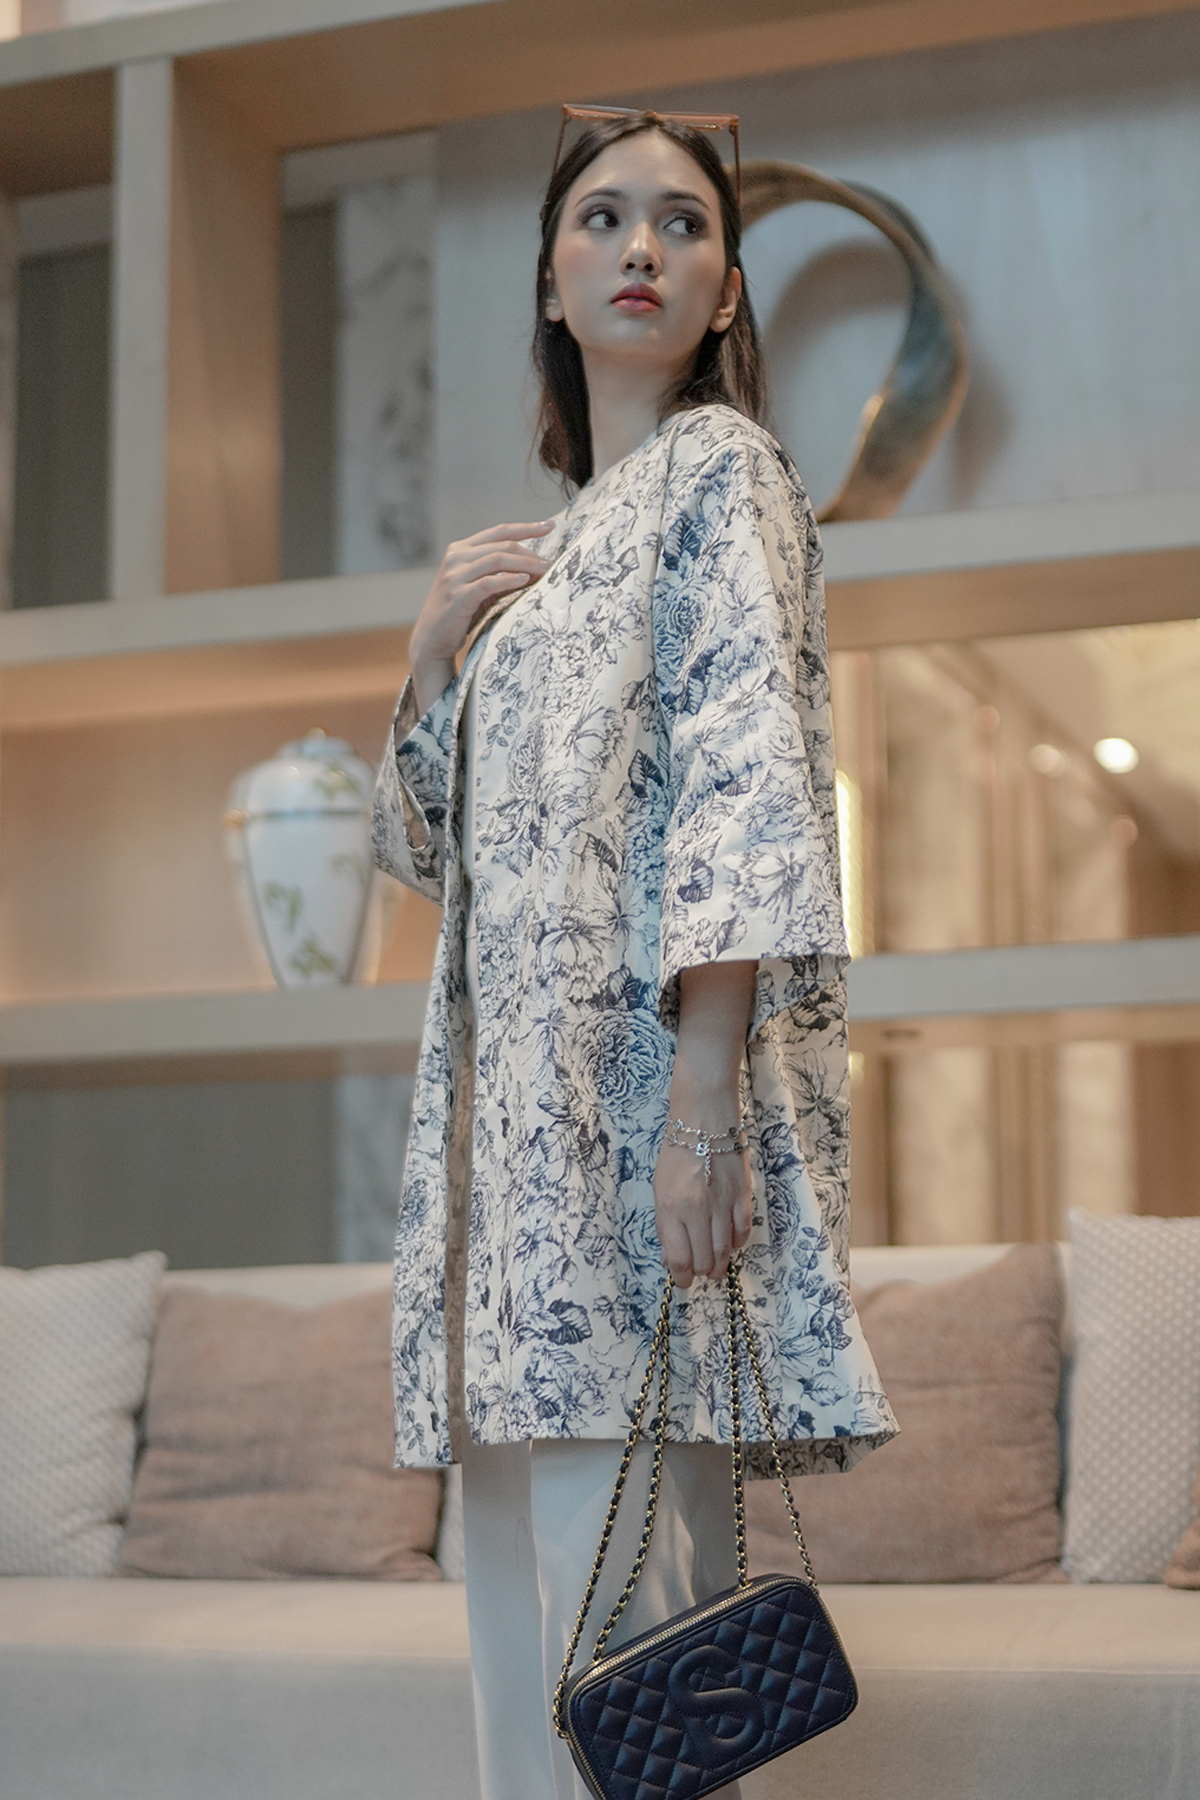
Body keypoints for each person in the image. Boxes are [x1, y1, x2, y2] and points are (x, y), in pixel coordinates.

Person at [372, 106, 896, 1800]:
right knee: (529, 1660)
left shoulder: (723, 475)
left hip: (631, 1156)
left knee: (636, 1670)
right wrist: (435, 659)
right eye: (602, 218)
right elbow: (431, 865)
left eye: (681, 222)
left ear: (726, 287)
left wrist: (701, 1106)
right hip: (510, 1192)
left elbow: (750, 790)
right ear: (550, 277)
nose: (642, 248)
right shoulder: (542, 559)